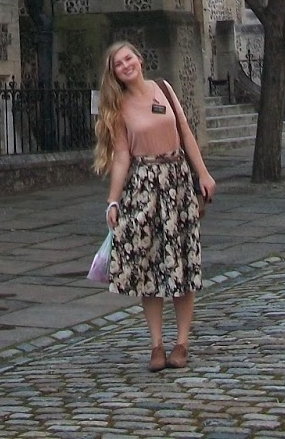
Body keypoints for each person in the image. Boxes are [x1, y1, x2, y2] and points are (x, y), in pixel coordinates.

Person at [94, 40, 216, 371]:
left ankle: (182, 343)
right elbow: (122, 156)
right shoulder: (119, 107)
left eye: (128, 58)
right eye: (118, 64)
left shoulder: (164, 88)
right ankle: (156, 345)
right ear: (114, 73)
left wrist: (203, 174)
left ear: (140, 59)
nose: (126, 65)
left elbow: (186, 133)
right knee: (149, 267)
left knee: (182, 264)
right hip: (144, 187)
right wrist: (113, 200)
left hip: (178, 182)